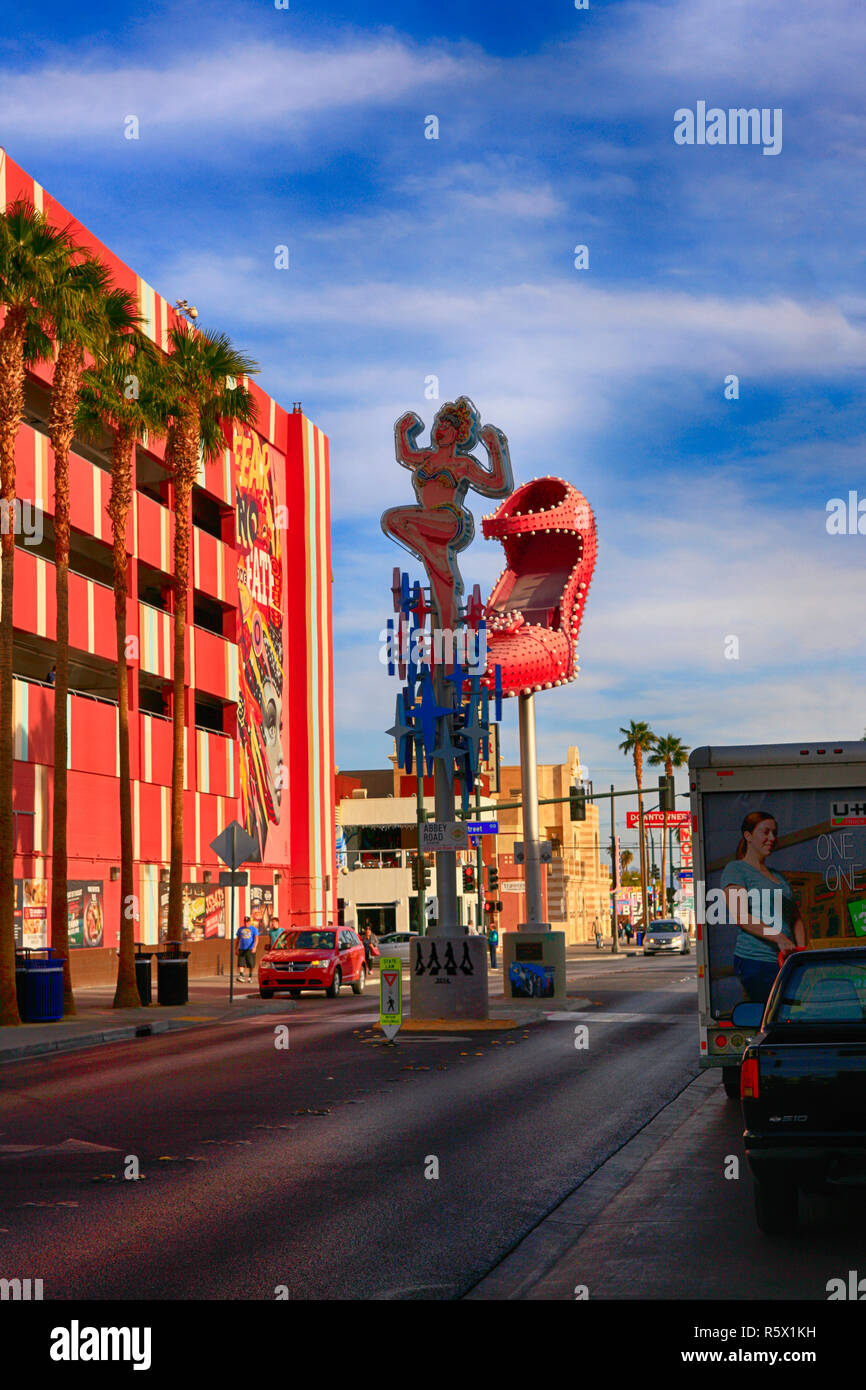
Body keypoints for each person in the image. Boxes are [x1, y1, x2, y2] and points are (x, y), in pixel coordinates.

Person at [720, 810, 806, 1005]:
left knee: (792, 1014)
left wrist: (801, 952)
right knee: (772, 1017)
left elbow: (795, 917)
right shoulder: (736, 869)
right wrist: (779, 937)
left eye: (774, 833)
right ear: (748, 836)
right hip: (757, 962)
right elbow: (741, 916)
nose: (772, 838)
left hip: (786, 962)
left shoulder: (778, 876)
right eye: (765, 832)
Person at [236, 915, 258, 982]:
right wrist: (235, 948)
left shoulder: (254, 929)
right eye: (245, 922)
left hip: (250, 949)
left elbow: (256, 938)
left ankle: (250, 977)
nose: (246, 923)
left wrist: (254, 947)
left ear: (250, 922)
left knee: (251, 964)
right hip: (242, 948)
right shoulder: (240, 929)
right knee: (241, 963)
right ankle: (241, 976)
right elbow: (237, 939)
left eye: (247, 922)